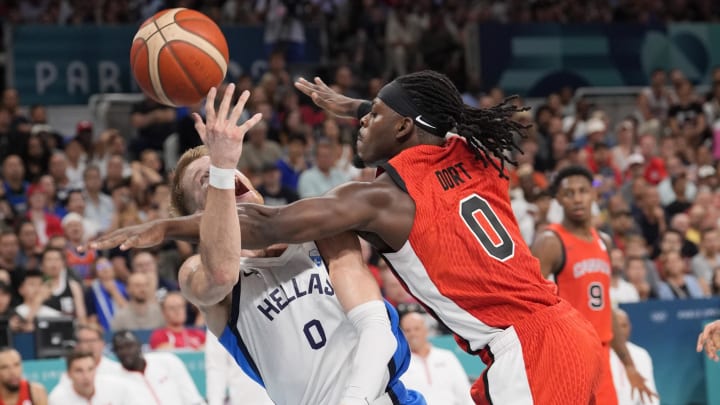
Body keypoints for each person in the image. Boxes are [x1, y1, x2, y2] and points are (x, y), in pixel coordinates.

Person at [93, 71, 606, 403]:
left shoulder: (371, 203)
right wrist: (359, 105)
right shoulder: (471, 152)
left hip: (523, 347)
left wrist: (165, 226)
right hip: (566, 330)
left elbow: (265, 223)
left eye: (373, 117)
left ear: (404, 128)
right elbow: (426, 119)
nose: (361, 124)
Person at [157, 87, 421, 405]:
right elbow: (221, 274)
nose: (220, 176)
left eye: (224, 170)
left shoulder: (320, 231)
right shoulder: (196, 272)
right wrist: (221, 170)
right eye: (206, 180)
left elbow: (376, 329)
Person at [532, 165, 656, 405]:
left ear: (594, 195)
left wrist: (628, 364)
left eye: (583, 191)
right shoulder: (550, 242)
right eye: (569, 193)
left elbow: (606, 309)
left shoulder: (604, 242)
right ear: (558, 198)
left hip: (602, 355)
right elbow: (527, 301)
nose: (577, 199)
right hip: (569, 355)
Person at [112, 330, 205, 405]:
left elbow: (192, 398)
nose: (125, 352)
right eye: (119, 348)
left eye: (129, 346)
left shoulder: (167, 361)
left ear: (139, 346)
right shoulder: (116, 380)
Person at [399, 311, 473, 405]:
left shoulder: (447, 357)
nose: (412, 334)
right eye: (407, 330)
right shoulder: (401, 364)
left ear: (426, 330)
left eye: (416, 329)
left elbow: (465, 394)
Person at [49, 350, 138, 405]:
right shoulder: (57, 399)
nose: (86, 376)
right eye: (79, 371)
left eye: (90, 369)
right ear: (69, 375)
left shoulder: (116, 388)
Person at [610, 309, 659, 405]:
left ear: (630, 327)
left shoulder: (641, 354)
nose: (620, 331)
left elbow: (648, 391)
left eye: (624, 326)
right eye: (617, 327)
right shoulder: (601, 354)